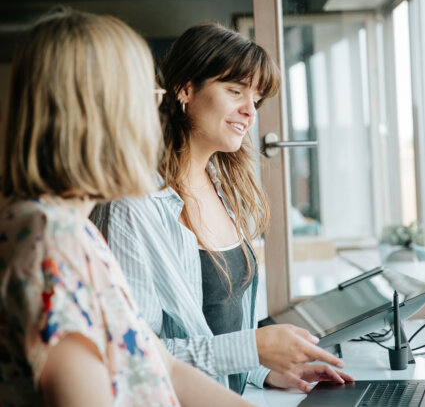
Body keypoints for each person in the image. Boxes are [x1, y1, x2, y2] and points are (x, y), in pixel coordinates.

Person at [0, 10, 257, 407]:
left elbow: (163, 367)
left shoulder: (71, 229)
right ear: (93, 113)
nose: (159, 111)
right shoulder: (49, 244)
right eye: (148, 96)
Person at [90, 23, 353, 395]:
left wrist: (261, 370)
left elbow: (218, 332)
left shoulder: (221, 184)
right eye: (234, 91)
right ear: (185, 89)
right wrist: (254, 347)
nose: (249, 111)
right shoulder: (134, 206)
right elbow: (134, 354)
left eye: (256, 98)